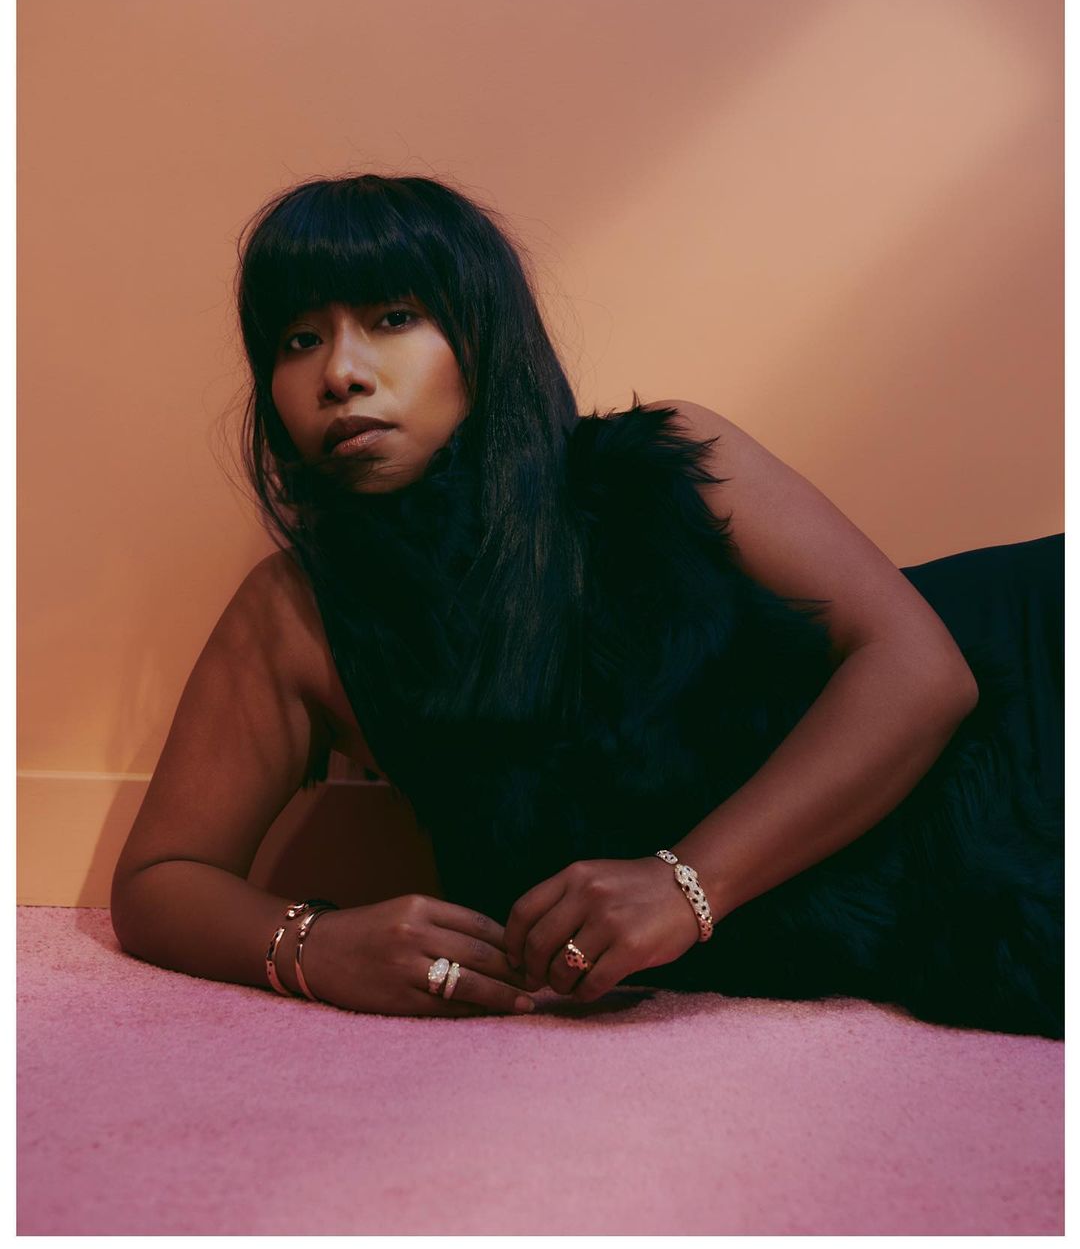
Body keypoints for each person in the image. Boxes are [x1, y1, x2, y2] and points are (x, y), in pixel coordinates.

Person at [110, 173, 1064, 1038]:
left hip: (1020, 703)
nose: (340, 373)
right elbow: (159, 880)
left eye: (394, 317)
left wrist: (686, 882)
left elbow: (923, 671)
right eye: (299, 339)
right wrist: (313, 946)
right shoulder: (296, 612)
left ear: (482, 339)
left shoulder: (671, 464)